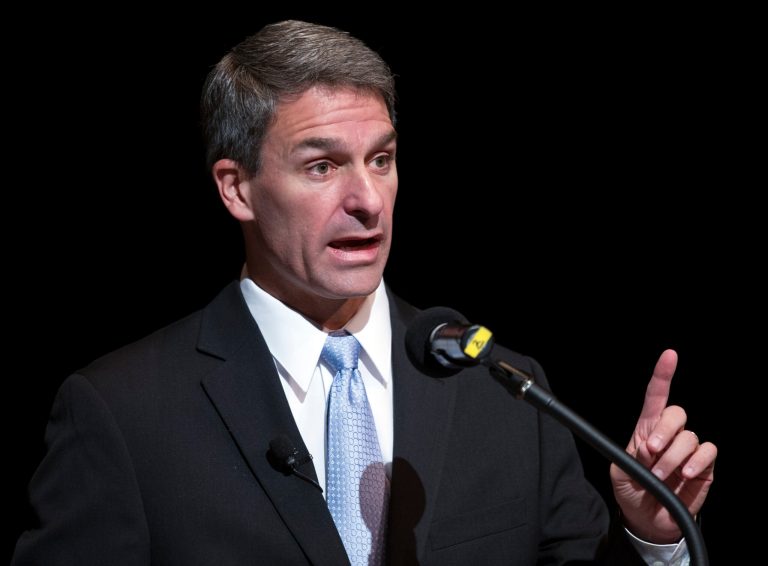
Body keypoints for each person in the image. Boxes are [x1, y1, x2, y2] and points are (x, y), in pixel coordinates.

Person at [12, 20, 717, 566]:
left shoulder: (505, 393)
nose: (368, 200)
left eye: (382, 160)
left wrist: (651, 534)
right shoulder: (122, 416)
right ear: (237, 188)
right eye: (322, 166)